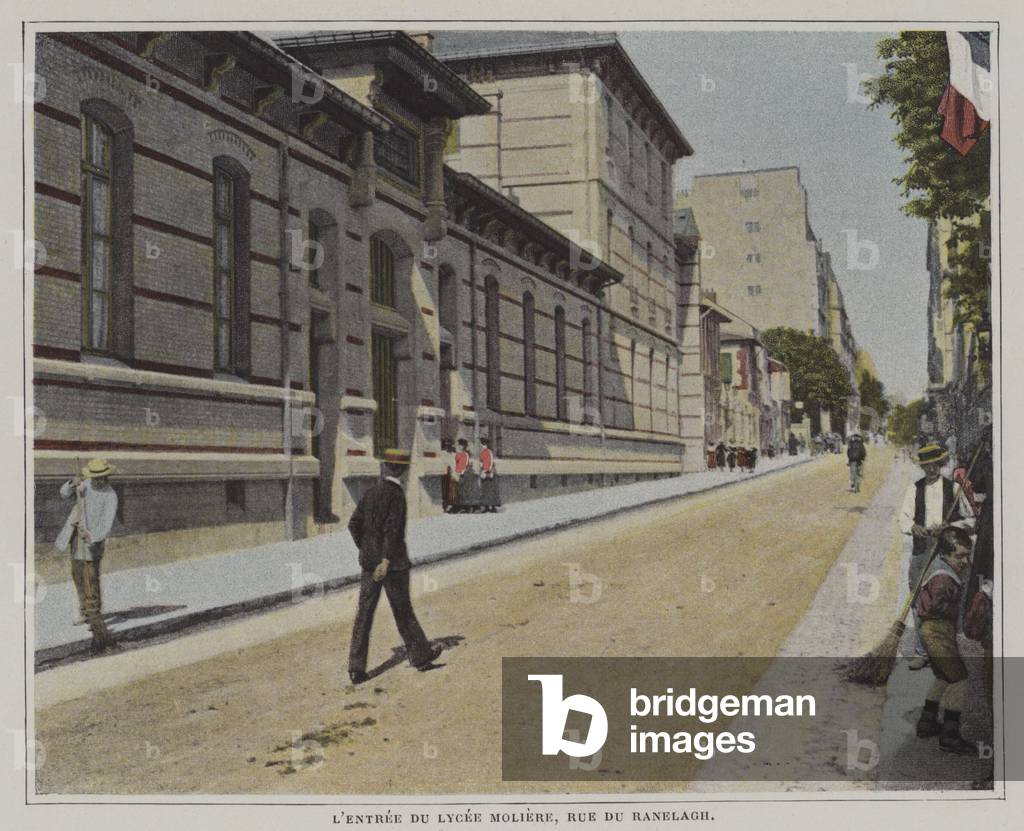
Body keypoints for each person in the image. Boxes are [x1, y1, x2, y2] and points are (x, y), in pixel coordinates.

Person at [347, 449, 442, 685]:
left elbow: (353, 524)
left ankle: (356, 669)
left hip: (370, 564)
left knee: (364, 614)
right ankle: (420, 657)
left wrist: (367, 550)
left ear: (384, 467)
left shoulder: (370, 493)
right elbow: (393, 531)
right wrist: (386, 559)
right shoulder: (397, 495)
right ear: (404, 470)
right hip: (394, 565)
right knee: (403, 611)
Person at [898, 443, 975, 669]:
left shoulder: (953, 489)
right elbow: (903, 517)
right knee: (917, 598)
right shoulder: (915, 488)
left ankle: (945, 649)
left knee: (947, 599)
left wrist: (950, 527)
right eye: (926, 466)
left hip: (946, 554)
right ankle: (922, 651)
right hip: (922, 550)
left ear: (940, 464)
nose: (931, 470)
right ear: (922, 467)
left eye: (935, 465)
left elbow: (971, 520)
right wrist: (913, 527)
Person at [912, 527, 975, 754]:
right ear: (946, 554)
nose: (965, 561)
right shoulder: (942, 577)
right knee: (960, 680)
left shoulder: (940, 568)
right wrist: (960, 610)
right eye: (959, 556)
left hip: (934, 631)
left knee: (942, 676)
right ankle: (950, 735)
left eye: (967, 555)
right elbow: (932, 607)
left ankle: (927, 723)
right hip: (938, 632)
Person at [55, 458, 119, 653]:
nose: (97, 481)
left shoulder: (110, 496)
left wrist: (91, 536)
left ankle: (95, 619)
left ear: (107, 476)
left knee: (91, 579)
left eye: (101, 478)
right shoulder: (86, 485)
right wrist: (70, 484)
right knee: (77, 574)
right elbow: (64, 494)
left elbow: (106, 526)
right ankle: (85, 612)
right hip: (75, 537)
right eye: (95, 477)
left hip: (92, 544)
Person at [453, 438, 479, 512]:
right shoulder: (459, 453)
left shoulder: (465, 454)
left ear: (464, 446)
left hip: (465, 473)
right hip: (461, 472)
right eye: (459, 445)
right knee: (460, 490)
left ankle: (466, 507)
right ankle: (462, 506)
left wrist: (459, 473)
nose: (460, 446)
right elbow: (457, 464)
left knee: (465, 490)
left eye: (461, 445)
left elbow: (463, 465)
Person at [478, 437, 501, 513]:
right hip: (485, 472)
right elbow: (482, 463)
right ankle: (487, 506)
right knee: (486, 490)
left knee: (490, 490)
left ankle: (492, 506)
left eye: (482, 444)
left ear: (485, 444)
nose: (481, 445)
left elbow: (489, 463)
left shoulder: (488, 452)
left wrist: (485, 471)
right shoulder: (483, 452)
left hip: (488, 472)